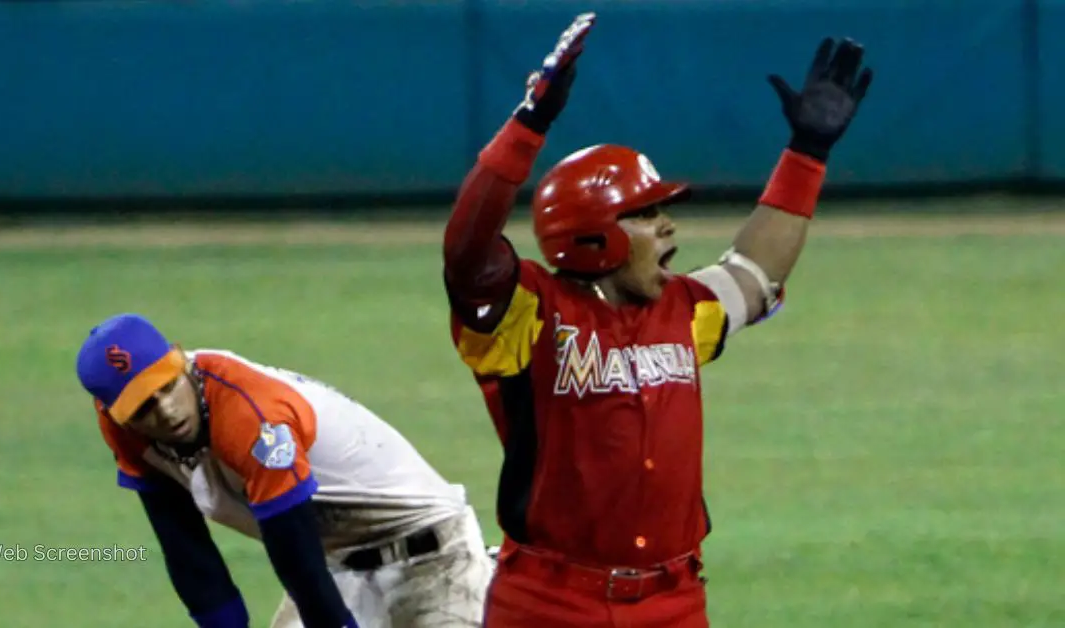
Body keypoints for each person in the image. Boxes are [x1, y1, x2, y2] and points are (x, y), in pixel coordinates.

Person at [440, 12, 872, 627]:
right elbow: (465, 252)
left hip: (673, 603)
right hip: (547, 603)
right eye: (645, 214)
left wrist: (807, 155)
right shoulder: (526, 314)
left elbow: (756, 270)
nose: (667, 226)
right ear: (589, 237)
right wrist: (529, 123)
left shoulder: (683, 309)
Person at [75, 313, 494, 628]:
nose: (165, 410)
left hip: (436, 560)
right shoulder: (125, 431)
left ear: (180, 361)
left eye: (167, 387)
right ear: (114, 412)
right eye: (144, 406)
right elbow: (184, 546)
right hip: (340, 569)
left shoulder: (252, 415)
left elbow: (295, 552)